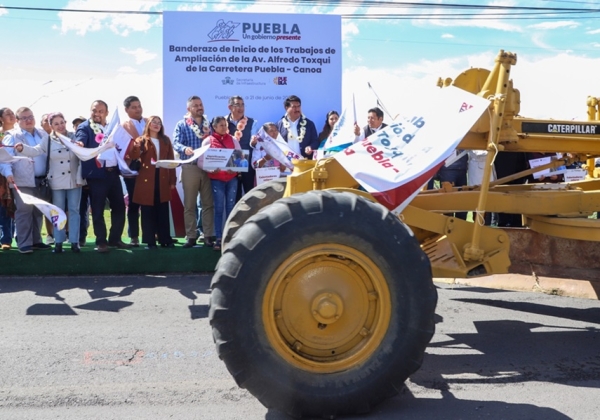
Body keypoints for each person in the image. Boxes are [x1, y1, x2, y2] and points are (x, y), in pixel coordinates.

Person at [15, 112, 83, 253]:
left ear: (66, 122)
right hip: (57, 181)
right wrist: (22, 149)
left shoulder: (75, 137)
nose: (60, 126)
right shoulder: (48, 140)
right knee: (57, 211)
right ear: (51, 126)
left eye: (62, 122)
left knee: (74, 211)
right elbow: (36, 151)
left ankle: (74, 242)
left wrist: (80, 177)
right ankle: (58, 242)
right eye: (56, 124)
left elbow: (83, 157)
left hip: (74, 180)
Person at [76, 100, 130, 253]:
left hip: (113, 173)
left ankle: (115, 239)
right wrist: (80, 143)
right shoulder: (85, 127)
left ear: (107, 113)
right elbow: (81, 138)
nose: (97, 114)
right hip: (97, 175)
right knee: (98, 210)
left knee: (119, 207)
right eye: (94, 110)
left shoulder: (113, 127)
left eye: (101, 111)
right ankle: (101, 241)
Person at [0, 107, 52, 253]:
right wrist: (8, 174)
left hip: (42, 180)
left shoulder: (43, 134)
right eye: (24, 118)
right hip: (21, 180)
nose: (28, 120)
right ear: (17, 121)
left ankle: (36, 241)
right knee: (24, 211)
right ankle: (24, 243)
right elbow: (4, 160)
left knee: (37, 211)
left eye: (30, 116)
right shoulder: (12, 136)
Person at [172, 95, 215, 248]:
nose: (199, 107)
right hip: (190, 167)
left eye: (200, 104)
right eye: (195, 105)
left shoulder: (209, 124)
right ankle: (191, 236)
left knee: (208, 204)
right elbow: (175, 142)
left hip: (208, 168)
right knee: (190, 204)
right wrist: (185, 149)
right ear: (188, 109)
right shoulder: (182, 124)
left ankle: (208, 235)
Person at [128, 116, 176, 249]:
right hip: (146, 179)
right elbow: (133, 156)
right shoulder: (141, 140)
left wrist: (172, 180)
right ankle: (150, 241)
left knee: (163, 209)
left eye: (159, 123)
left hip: (162, 177)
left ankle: (165, 239)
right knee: (147, 210)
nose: (156, 124)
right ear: (148, 125)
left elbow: (171, 161)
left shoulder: (166, 140)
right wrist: (136, 147)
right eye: (154, 122)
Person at [203, 116, 240, 252]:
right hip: (217, 179)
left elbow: (240, 158)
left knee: (231, 208)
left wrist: (235, 168)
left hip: (232, 179)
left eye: (225, 125)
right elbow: (201, 161)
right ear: (214, 127)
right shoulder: (208, 141)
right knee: (218, 209)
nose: (224, 128)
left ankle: (230, 237)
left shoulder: (233, 140)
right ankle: (219, 238)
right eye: (221, 125)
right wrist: (210, 169)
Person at [120, 95, 146, 247]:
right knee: (134, 203)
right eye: (134, 107)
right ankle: (134, 236)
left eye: (139, 106)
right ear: (127, 110)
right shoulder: (123, 126)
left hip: (149, 169)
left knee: (150, 203)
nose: (138, 109)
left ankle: (151, 234)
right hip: (132, 169)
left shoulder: (150, 121)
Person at [226, 95, 258, 200]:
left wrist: (253, 142)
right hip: (228, 162)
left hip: (246, 161)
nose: (241, 108)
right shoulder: (223, 122)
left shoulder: (252, 122)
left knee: (250, 193)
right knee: (234, 196)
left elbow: (253, 141)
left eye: (243, 105)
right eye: (237, 105)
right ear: (230, 107)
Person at [276, 95, 319, 159]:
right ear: (286, 108)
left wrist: (310, 147)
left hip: (303, 163)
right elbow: (275, 144)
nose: (297, 109)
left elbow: (315, 141)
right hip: (285, 164)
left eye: (299, 106)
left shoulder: (309, 124)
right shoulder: (279, 125)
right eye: (294, 107)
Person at [0, 107, 16, 250]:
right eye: (8, 114)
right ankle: (5, 238)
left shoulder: (18, 134)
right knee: (2, 207)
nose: (12, 116)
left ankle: (9, 238)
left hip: (14, 175)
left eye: (13, 114)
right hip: (1, 178)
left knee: (11, 207)